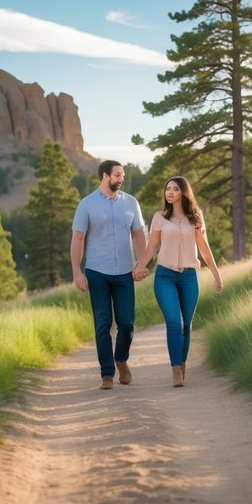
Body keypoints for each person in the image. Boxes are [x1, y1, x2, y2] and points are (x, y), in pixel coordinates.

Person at [132, 176, 223, 387]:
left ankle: (182, 365)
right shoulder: (160, 218)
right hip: (165, 276)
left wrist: (216, 274)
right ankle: (175, 370)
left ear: (183, 192)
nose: (169, 192)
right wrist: (139, 266)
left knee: (187, 325)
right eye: (167, 189)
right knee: (175, 322)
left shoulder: (196, 217)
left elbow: (204, 249)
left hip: (190, 277)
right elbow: (152, 246)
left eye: (174, 189)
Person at [71, 160, 147, 390]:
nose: (121, 178)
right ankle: (107, 373)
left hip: (125, 271)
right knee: (103, 323)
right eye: (117, 175)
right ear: (105, 176)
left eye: (122, 175)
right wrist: (77, 271)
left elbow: (139, 235)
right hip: (97, 272)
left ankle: (121, 359)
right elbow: (78, 238)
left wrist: (141, 264)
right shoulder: (87, 204)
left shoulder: (131, 203)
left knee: (127, 323)